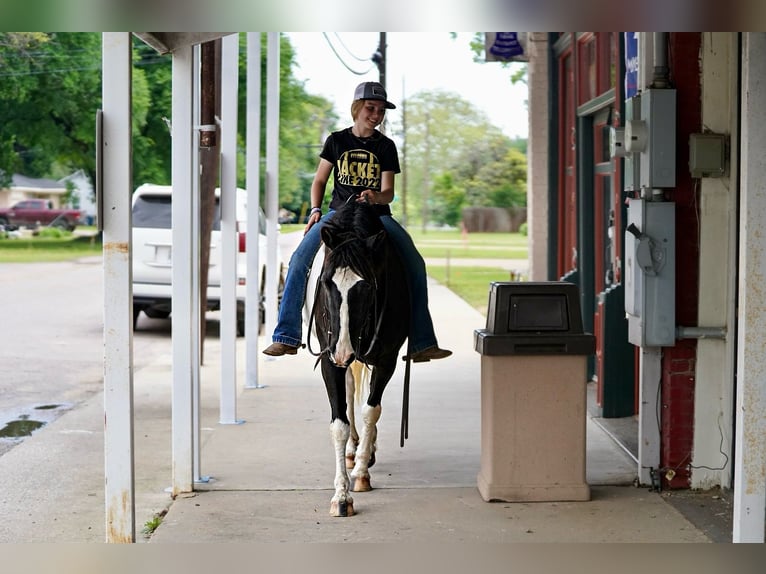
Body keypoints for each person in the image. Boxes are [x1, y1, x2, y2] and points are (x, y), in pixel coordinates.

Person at [263, 81, 451, 363]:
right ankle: (287, 336)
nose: (375, 115)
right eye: (370, 108)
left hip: (377, 216)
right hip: (338, 215)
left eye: (380, 111)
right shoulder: (337, 140)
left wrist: (377, 196)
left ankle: (422, 341)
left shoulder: (386, 146)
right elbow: (320, 179)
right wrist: (316, 209)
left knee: (415, 262)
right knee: (299, 260)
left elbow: (389, 191)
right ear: (357, 108)